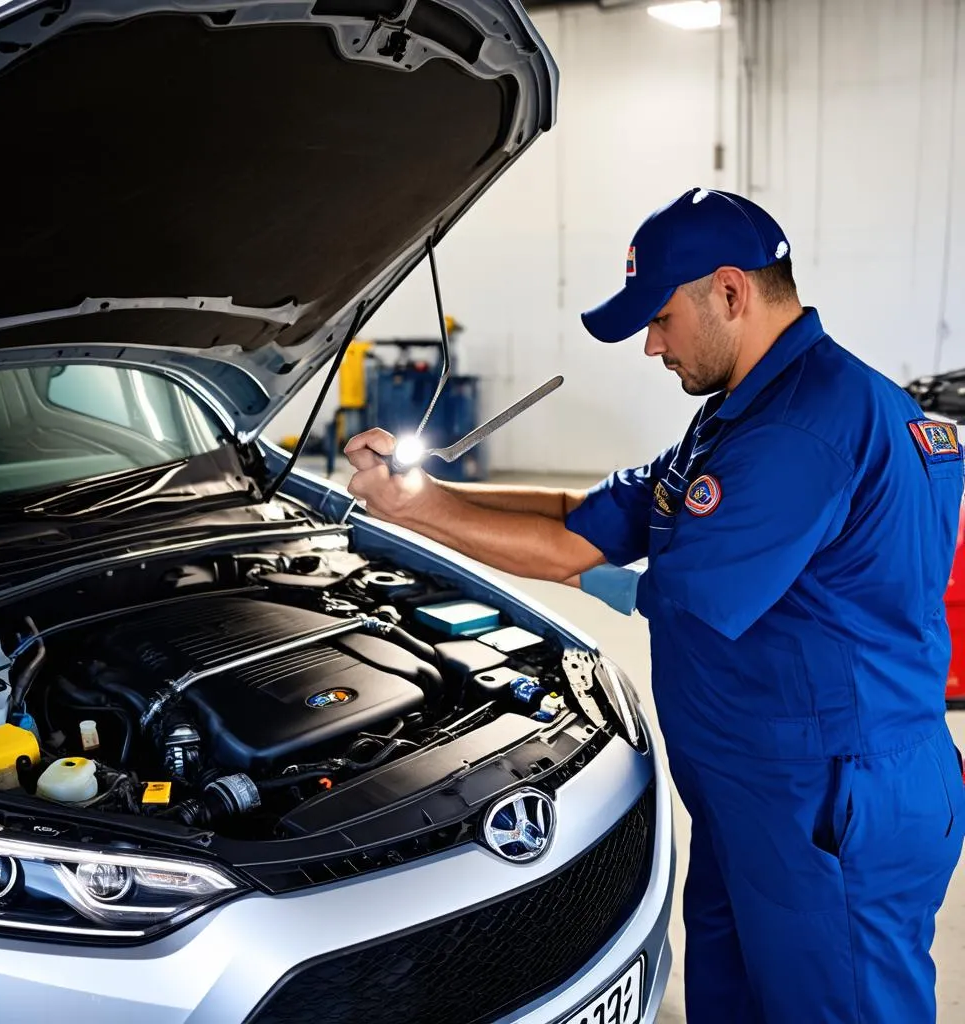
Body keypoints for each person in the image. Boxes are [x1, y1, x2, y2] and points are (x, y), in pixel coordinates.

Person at [344, 187, 965, 1024]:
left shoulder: (802, 430)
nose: (650, 346)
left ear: (731, 293)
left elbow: (595, 568)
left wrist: (415, 513)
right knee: (734, 996)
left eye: (662, 318)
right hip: (761, 791)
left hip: (829, 799)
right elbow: (583, 520)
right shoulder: (741, 415)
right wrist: (431, 492)